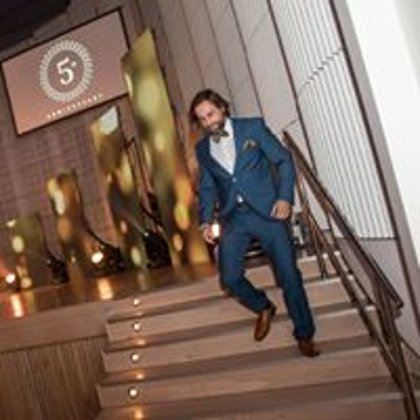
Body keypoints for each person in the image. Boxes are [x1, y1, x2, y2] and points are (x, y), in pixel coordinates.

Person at [189, 89, 319, 357]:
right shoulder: (202, 149)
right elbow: (207, 187)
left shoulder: (252, 127)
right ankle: (263, 306)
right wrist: (205, 221)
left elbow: (283, 160)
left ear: (222, 108)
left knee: (289, 274)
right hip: (233, 219)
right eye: (202, 119)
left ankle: (304, 333)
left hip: (268, 212)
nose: (208, 122)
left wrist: (285, 198)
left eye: (211, 114)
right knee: (230, 278)